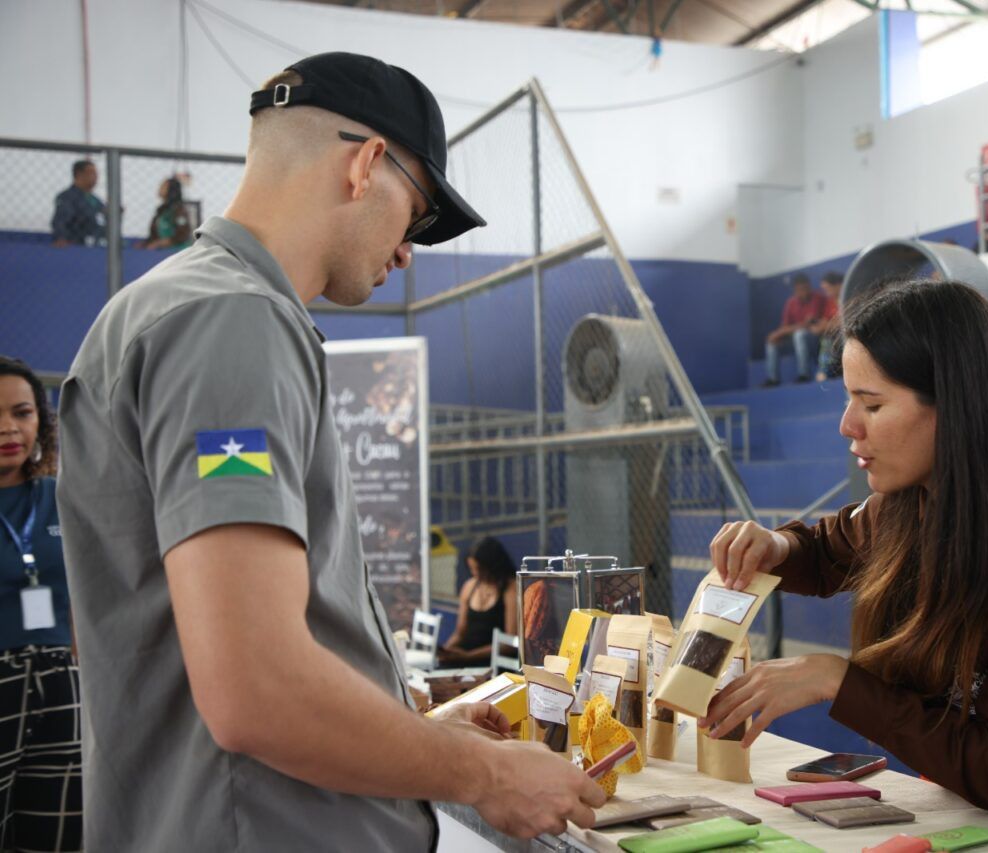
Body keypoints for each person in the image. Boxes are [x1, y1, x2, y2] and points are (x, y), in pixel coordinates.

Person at [55, 52, 605, 851]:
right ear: (366, 163)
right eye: (415, 216)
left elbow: (214, 642)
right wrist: (484, 774)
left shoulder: (165, 309)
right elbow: (256, 688)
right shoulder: (232, 325)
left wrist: (410, 725)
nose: (409, 250)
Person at [704, 280, 988, 851]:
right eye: (849, 400)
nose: (849, 425)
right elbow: (824, 552)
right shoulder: (910, 504)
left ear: (956, 405)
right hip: (961, 812)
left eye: (871, 404)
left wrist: (836, 679)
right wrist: (776, 547)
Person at [0, 356, 81, 851]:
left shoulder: (64, 497)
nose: (9, 428)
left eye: (22, 413)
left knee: (59, 831)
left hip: (62, 684)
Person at [437, 536, 519, 667]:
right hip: (465, 658)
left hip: (492, 661)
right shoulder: (469, 586)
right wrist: (446, 651)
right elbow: (459, 633)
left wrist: (469, 656)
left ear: (493, 566)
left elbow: (510, 642)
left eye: (480, 569)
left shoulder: (511, 589)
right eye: (472, 569)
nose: (475, 573)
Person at [763, 273, 829, 387]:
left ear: (809, 286)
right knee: (772, 342)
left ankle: (803, 374)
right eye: (799, 289)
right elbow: (785, 326)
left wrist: (781, 332)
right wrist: (780, 333)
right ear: (795, 290)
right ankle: (772, 379)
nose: (803, 292)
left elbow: (808, 324)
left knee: (799, 334)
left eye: (805, 288)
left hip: (816, 339)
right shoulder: (791, 302)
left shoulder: (817, 298)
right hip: (794, 340)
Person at [50, 160, 105, 247]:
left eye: (96, 173)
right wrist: (61, 238)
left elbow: (102, 218)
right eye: (91, 172)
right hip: (74, 246)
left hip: (93, 245)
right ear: (79, 174)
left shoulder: (94, 199)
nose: (96, 176)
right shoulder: (67, 197)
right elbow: (60, 221)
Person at [141, 175, 194, 250]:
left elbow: (182, 234)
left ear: (172, 190)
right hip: (162, 251)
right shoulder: (162, 210)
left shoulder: (179, 210)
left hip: (177, 251)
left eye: (164, 186)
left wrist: (159, 243)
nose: (160, 187)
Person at [812, 271, 843, 382]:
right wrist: (819, 327)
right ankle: (825, 371)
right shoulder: (830, 301)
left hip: (848, 333)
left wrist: (829, 325)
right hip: (834, 335)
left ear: (838, 285)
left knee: (829, 338)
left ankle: (824, 372)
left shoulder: (849, 295)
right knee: (825, 337)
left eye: (827, 288)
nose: (826, 292)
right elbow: (825, 322)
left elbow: (846, 320)